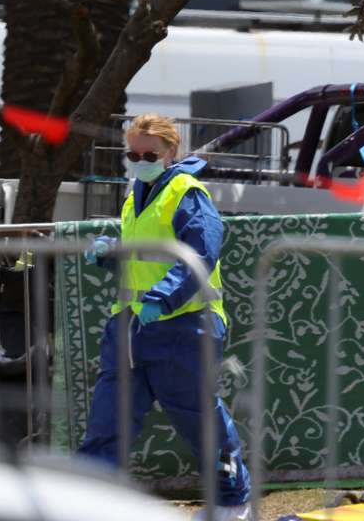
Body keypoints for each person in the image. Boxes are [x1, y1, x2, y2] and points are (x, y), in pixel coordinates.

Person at [79, 114, 250, 521]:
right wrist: (112, 252)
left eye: (149, 154)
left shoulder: (188, 193)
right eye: (132, 154)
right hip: (132, 328)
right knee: (107, 422)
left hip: (183, 328)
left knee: (201, 422)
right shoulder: (136, 190)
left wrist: (162, 298)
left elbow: (199, 254)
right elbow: (145, 254)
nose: (139, 160)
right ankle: (84, 504)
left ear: (171, 152)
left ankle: (232, 501)